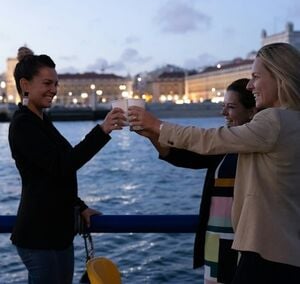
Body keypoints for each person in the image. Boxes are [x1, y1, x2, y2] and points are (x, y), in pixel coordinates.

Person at [128, 43, 300, 283]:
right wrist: (154, 133)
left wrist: (157, 125)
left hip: (266, 252)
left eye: (256, 77)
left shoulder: (273, 120)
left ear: (279, 78)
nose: (251, 85)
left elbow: (209, 139)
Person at [9, 47, 125, 284]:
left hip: (58, 235)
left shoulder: (41, 120)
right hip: (37, 237)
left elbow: (53, 177)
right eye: (48, 83)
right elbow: (63, 165)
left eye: (56, 84)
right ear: (25, 85)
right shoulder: (22, 125)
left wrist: (79, 206)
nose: (54, 90)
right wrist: (102, 130)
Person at [131, 79, 257, 284]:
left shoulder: (261, 148)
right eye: (223, 107)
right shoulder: (223, 143)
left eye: (231, 107)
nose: (224, 113)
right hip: (216, 242)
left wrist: (157, 126)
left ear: (252, 111)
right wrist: (152, 135)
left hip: (250, 244)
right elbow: (185, 157)